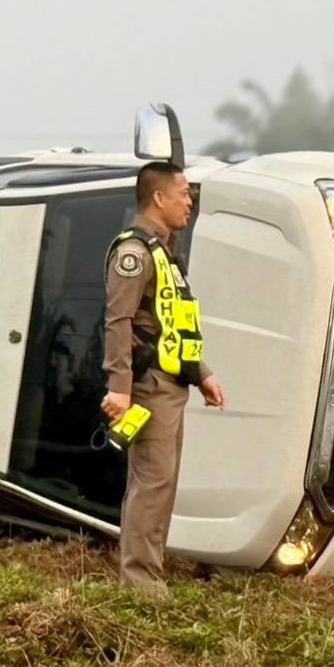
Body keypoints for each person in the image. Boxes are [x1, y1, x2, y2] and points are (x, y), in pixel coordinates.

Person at [101, 161, 227, 594]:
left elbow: (172, 325)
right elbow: (118, 321)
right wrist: (119, 389)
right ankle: (140, 584)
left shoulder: (163, 253)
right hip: (149, 386)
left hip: (171, 385)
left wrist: (202, 374)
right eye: (183, 193)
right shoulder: (134, 253)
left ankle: (148, 577)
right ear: (158, 198)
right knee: (151, 484)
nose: (190, 202)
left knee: (162, 483)